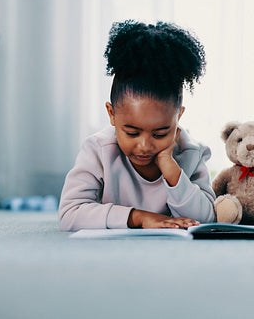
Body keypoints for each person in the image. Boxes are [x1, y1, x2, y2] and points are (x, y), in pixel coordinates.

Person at [58, 20, 215, 231]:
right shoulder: (98, 149)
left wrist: (171, 170)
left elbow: (207, 219)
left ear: (179, 117)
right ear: (112, 114)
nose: (144, 145)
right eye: (132, 132)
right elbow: (70, 214)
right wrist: (138, 218)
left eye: (160, 133)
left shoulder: (192, 153)